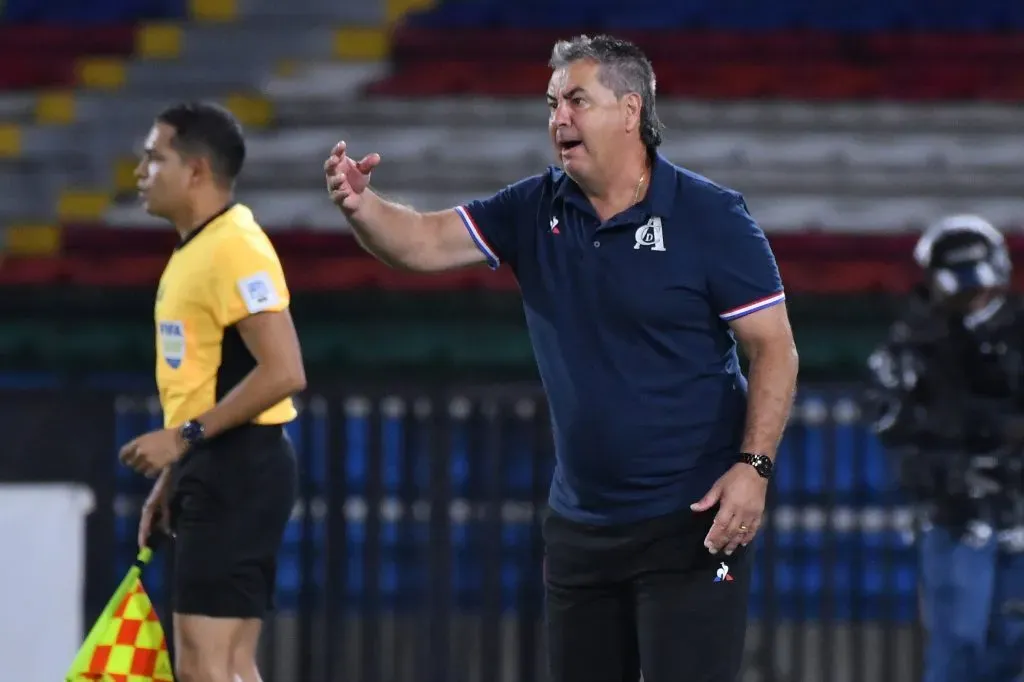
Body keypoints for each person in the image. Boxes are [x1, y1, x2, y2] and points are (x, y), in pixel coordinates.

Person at [324, 34, 799, 682]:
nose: (558, 119)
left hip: (694, 526)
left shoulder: (711, 217)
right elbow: (425, 242)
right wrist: (363, 208)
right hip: (581, 528)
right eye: (551, 103)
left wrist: (755, 467)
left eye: (577, 99)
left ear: (631, 111)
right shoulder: (534, 207)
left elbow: (774, 347)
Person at [118, 101, 307, 682]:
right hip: (218, 467)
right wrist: (179, 470)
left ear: (196, 171)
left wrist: (183, 439)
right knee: (220, 663)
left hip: (239, 468)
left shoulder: (234, 247)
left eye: (155, 158)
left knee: (208, 664)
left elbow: (284, 370)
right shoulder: (199, 248)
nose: (140, 172)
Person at [866, 214, 1024, 682]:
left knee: (1015, 645)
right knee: (960, 642)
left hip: (1020, 507)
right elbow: (886, 415)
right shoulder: (913, 343)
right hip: (953, 512)